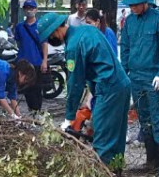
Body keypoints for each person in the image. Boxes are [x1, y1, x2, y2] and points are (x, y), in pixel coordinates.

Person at [37, 12, 131, 168]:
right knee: (117, 135)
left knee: (102, 139)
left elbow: (75, 84)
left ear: (55, 31)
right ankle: (116, 176)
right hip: (121, 84)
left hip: (108, 89)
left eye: (49, 36)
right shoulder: (87, 30)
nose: (51, 40)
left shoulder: (73, 46)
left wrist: (68, 117)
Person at [119, 0, 159, 177]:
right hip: (135, 77)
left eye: (135, 4)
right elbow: (124, 48)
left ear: (145, 2)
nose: (132, 8)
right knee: (144, 119)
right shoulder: (129, 22)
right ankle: (151, 161)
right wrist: (123, 72)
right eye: (130, 5)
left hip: (153, 77)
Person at [13, 0, 48, 114]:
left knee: (37, 89)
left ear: (36, 10)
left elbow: (44, 44)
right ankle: (32, 111)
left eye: (31, 8)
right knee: (27, 89)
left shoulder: (41, 26)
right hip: (24, 63)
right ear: (24, 10)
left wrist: (45, 61)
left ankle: (37, 112)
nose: (29, 10)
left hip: (37, 62)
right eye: (27, 8)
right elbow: (18, 42)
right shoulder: (19, 27)